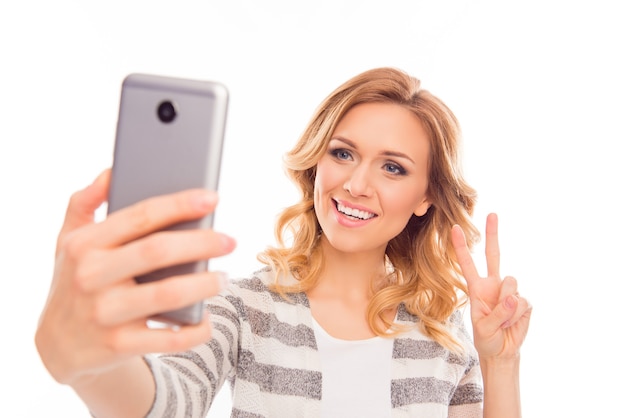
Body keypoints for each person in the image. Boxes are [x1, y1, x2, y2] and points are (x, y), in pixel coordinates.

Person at [35, 67, 532, 418]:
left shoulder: (440, 334)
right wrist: (90, 368)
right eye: (343, 153)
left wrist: (500, 362)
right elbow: (168, 405)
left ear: (424, 197)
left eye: (393, 167)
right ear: (317, 162)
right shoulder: (243, 306)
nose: (357, 184)